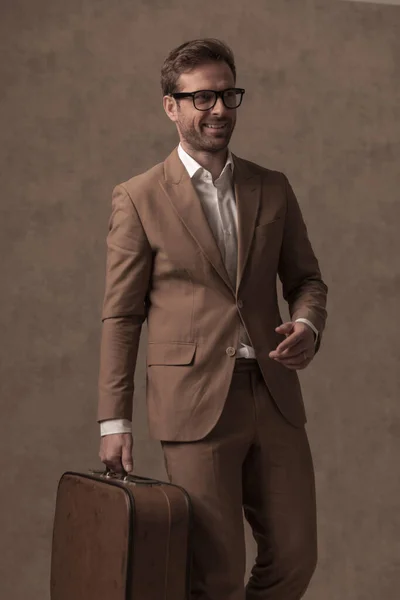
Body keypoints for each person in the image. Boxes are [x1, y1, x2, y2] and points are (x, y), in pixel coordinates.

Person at [98, 38, 328, 600]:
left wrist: (308, 323)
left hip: (273, 393)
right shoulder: (139, 198)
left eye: (228, 95)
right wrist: (114, 421)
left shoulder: (271, 186)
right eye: (202, 98)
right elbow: (122, 316)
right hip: (192, 400)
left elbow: (306, 281)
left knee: (295, 558)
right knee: (216, 573)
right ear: (171, 106)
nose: (219, 109)